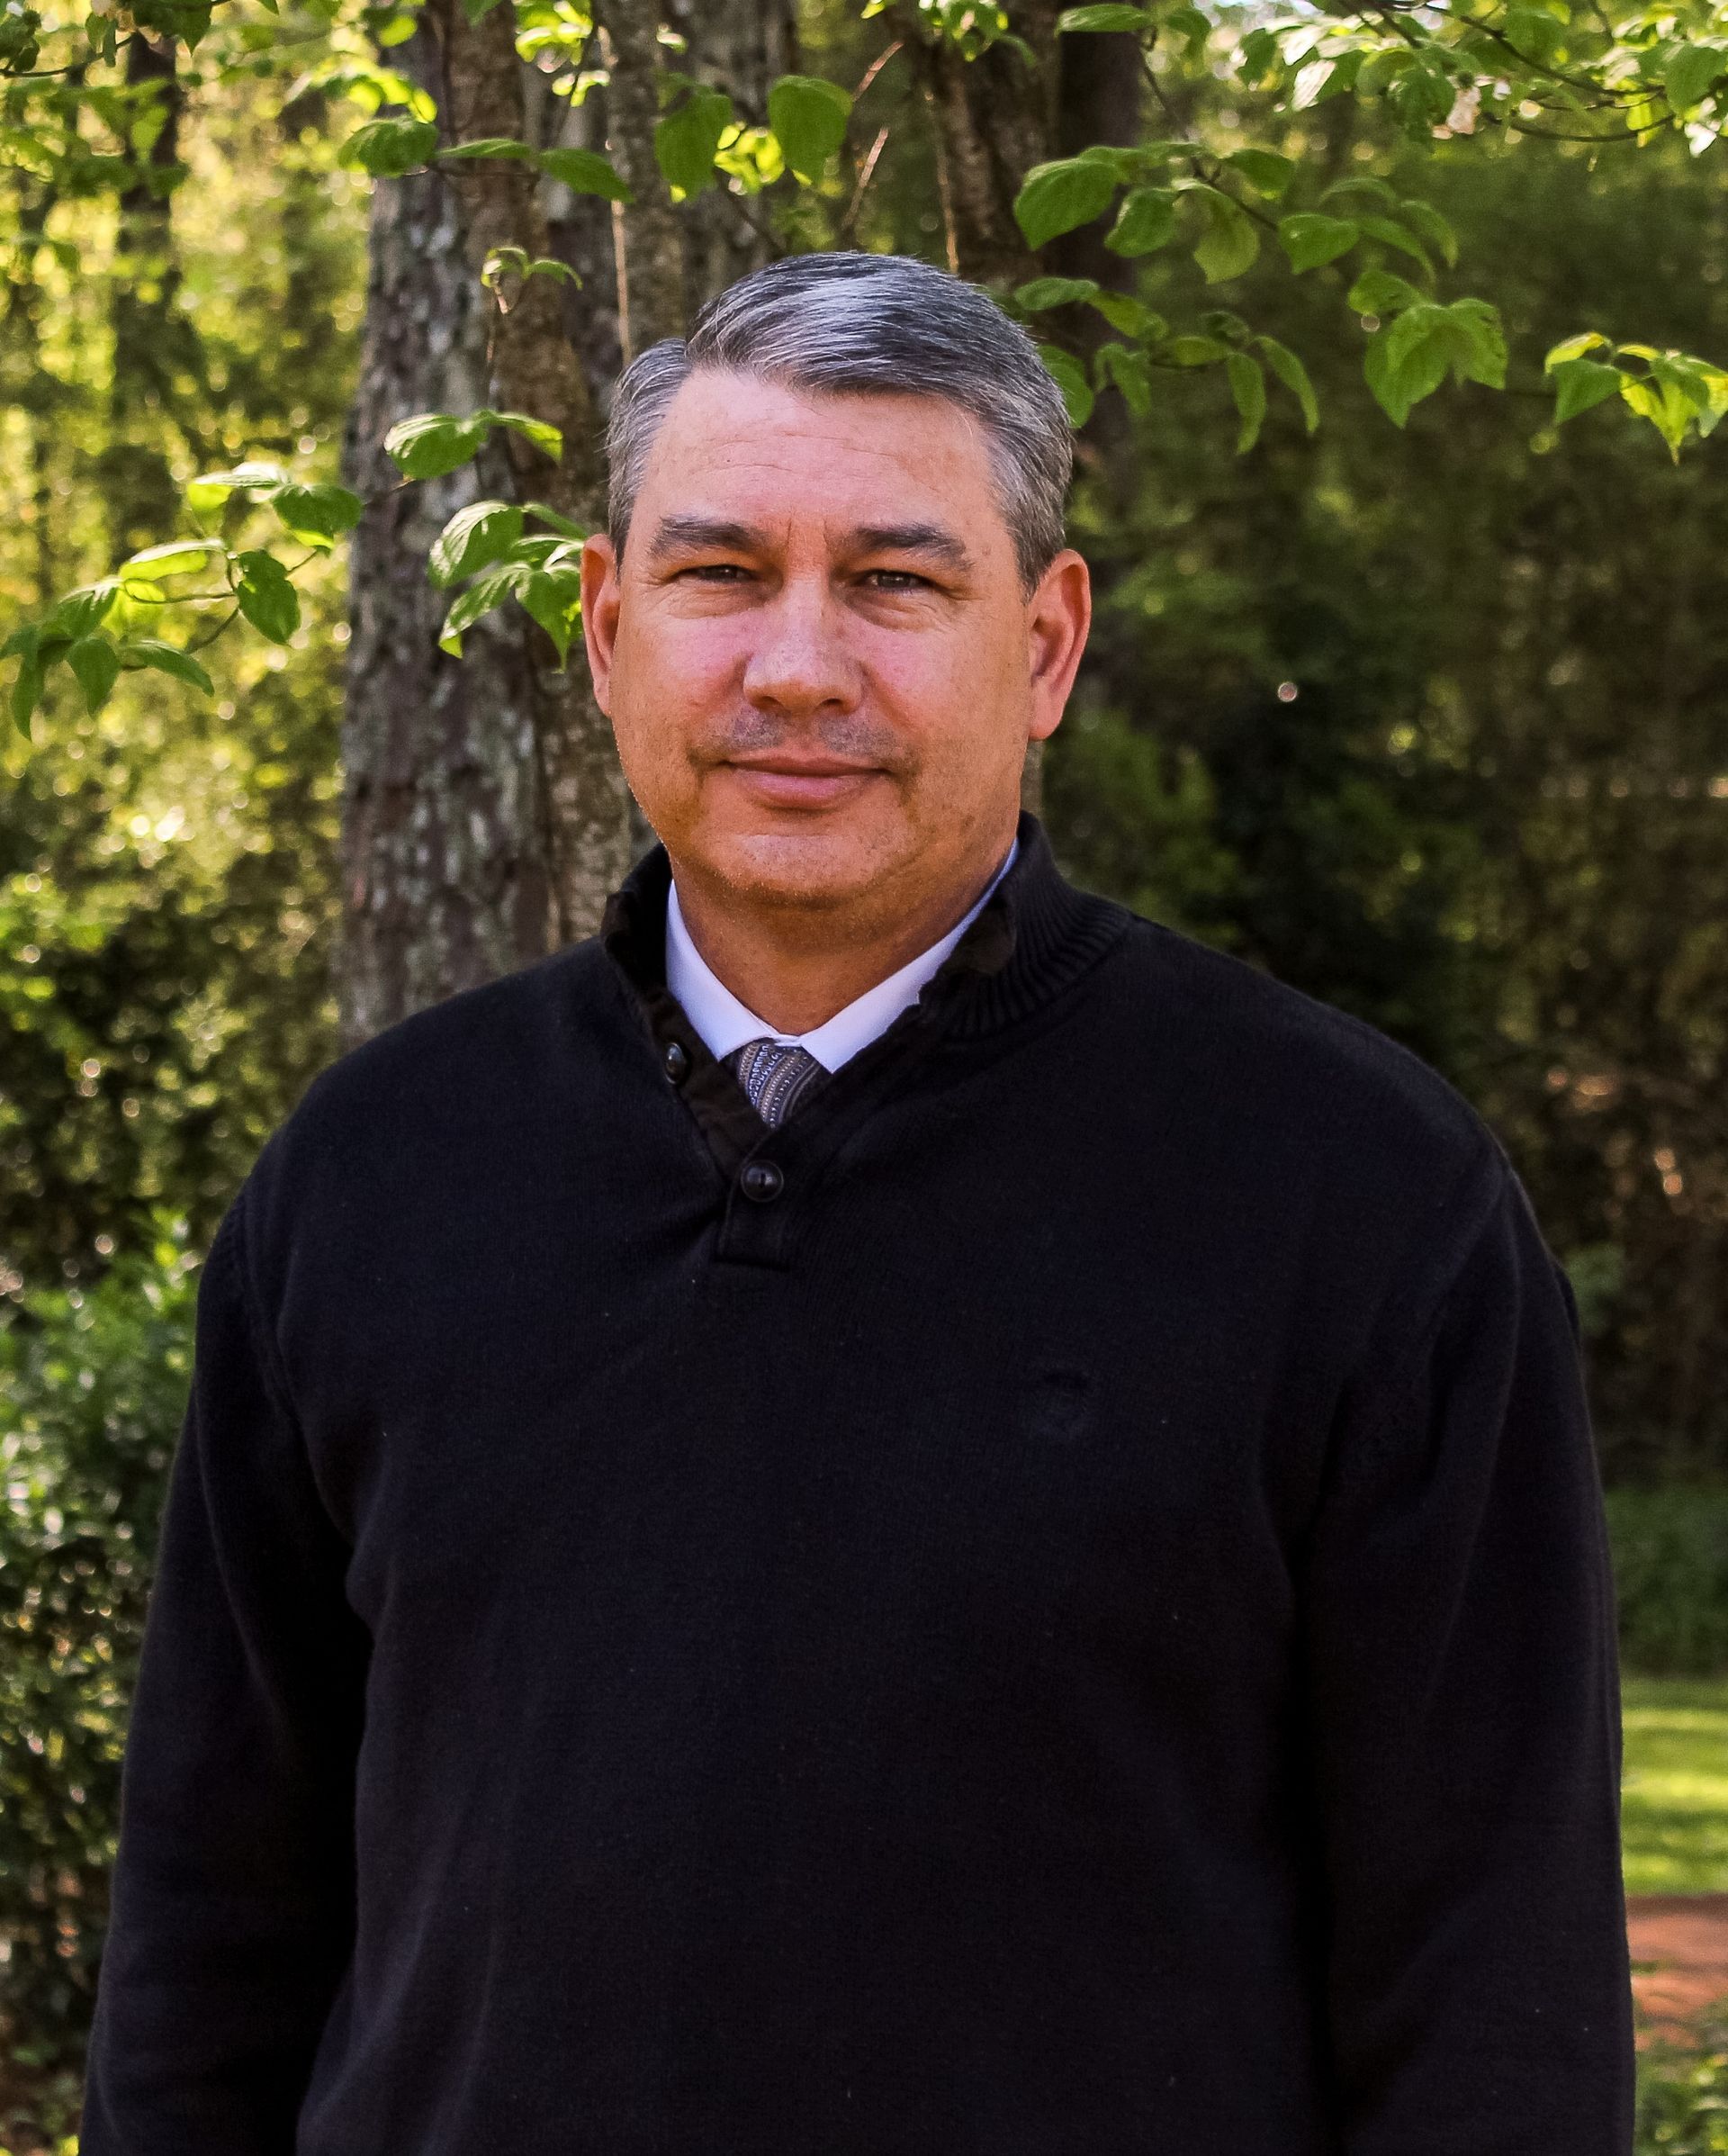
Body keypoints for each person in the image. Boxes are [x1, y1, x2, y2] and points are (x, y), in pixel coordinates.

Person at [82, 250, 1634, 2155]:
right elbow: (205, 1948)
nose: (797, 664)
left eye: (896, 580)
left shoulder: (1364, 1202)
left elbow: (1500, 2013)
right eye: (721, 572)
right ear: (603, 627)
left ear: (1048, 646)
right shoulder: (372, 1177)